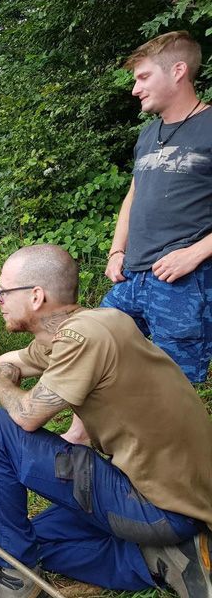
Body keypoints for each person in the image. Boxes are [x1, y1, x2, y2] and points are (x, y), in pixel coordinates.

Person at [0, 244, 212, 598]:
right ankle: (168, 559)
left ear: (35, 296)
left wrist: (2, 379)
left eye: (2, 291)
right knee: (26, 538)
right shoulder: (86, 328)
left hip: (159, 506)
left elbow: (26, 414)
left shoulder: (83, 338)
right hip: (170, 501)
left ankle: (9, 579)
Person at [101, 30, 212, 383]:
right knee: (94, 349)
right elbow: (133, 195)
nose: (135, 88)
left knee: (173, 385)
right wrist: (116, 251)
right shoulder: (148, 133)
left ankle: (168, 439)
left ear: (178, 71)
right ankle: (78, 436)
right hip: (132, 275)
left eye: (143, 76)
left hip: (184, 281)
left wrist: (194, 254)